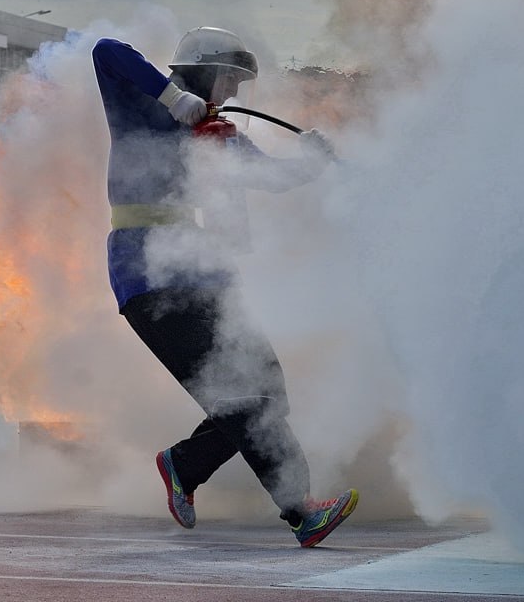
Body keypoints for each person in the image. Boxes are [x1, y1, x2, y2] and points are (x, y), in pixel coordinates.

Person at [92, 27, 356, 548]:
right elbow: (106, 51)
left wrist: (311, 160)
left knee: (266, 388)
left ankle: (184, 466)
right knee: (240, 394)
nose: (233, 93)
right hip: (148, 274)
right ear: (200, 70)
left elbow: (272, 177)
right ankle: (300, 509)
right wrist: (174, 98)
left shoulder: (216, 131)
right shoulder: (141, 104)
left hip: (201, 269)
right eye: (229, 79)